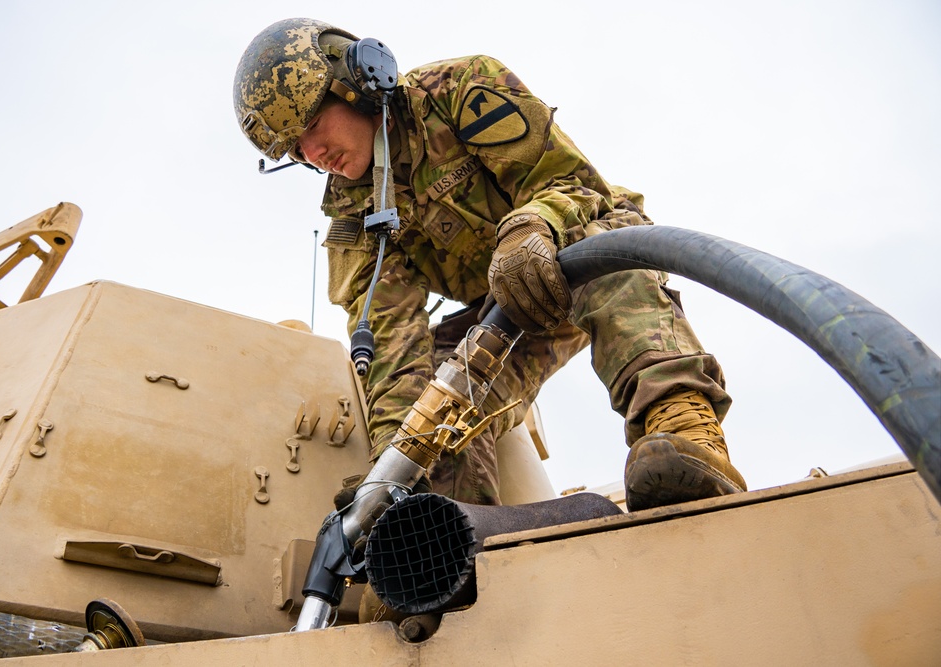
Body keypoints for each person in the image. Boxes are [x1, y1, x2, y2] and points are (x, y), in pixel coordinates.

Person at [233, 17, 747, 510]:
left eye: (313, 126)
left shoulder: (459, 91)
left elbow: (571, 183)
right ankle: (448, 539)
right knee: (436, 396)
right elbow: (393, 342)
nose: (311, 153)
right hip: (506, 308)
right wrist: (392, 469)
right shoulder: (352, 213)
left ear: (360, 82)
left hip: (579, 242)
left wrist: (532, 227)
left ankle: (681, 426)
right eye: (292, 148)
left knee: (604, 246)